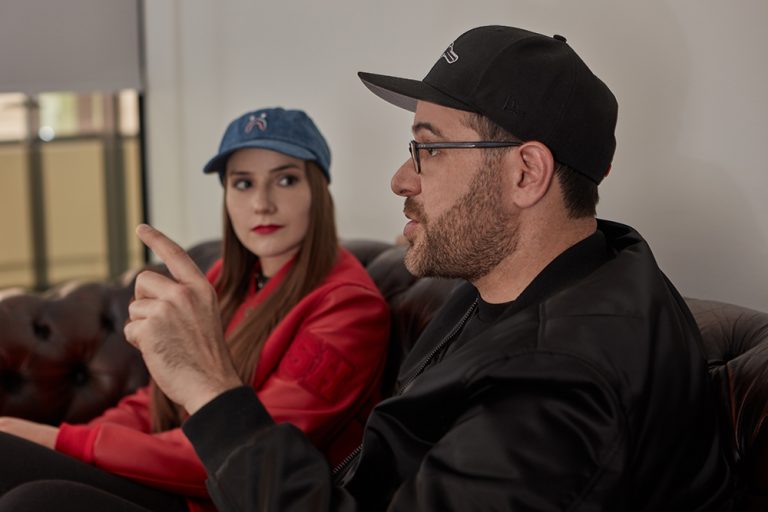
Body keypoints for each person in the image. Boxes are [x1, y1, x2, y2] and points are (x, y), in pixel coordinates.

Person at [0, 25, 734, 511]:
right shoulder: (512, 284)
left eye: (428, 149)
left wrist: (209, 387)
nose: (399, 179)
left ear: (526, 173)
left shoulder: (569, 376)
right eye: (241, 183)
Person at [0, 107, 390, 512]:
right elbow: (156, 399)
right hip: (173, 481)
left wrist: (65, 442)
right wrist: (68, 439)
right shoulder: (227, 278)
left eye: (286, 180)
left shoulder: (349, 307)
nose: (261, 203)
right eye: (243, 183)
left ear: (318, 192)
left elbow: (248, 451)